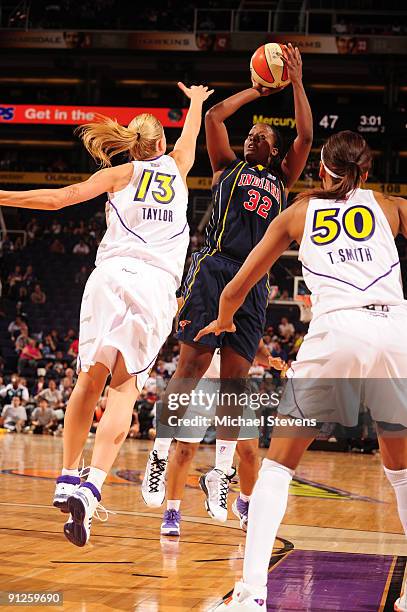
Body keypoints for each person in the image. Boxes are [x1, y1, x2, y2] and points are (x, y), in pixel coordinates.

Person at [196, 131, 407, 611]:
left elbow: (236, 285)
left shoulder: (296, 213)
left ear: (320, 170)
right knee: (402, 472)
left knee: (276, 467)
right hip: (396, 330)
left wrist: (226, 317)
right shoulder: (392, 207)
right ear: (366, 173)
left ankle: (250, 596)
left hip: (338, 330)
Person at [0, 81, 213, 547]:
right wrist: (195, 102)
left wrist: (2, 196)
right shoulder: (178, 167)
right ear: (161, 144)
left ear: (134, 146)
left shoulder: (119, 175)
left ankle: (65, 475)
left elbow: (59, 199)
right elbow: (189, 136)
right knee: (124, 391)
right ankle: (93, 486)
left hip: (110, 276)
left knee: (87, 379)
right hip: (155, 286)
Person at [146, 43, 312, 526]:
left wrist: (296, 83)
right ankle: (159, 453)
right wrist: (256, 91)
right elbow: (216, 116)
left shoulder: (283, 177)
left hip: (254, 280)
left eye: (262, 135)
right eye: (253, 134)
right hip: (215, 267)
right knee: (193, 365)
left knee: (236, 385)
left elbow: (305, 133)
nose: (254, 136)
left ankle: (219, 474)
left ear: (276, 151)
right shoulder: (225, 167)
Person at [142, 341, 285, 537]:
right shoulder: (204, 310)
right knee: (184, 451)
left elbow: (256, 344)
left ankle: (244, 503)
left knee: (250, 454)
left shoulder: (247, 311)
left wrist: (268, 359)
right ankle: (172, 511)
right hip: (200, 383)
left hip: (234, 386)